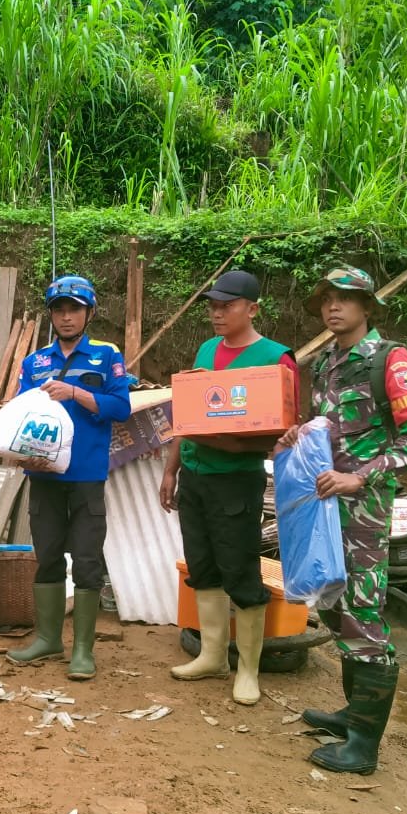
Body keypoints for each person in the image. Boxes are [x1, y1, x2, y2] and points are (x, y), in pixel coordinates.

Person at [278, 265, 407, 774]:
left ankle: (364, 746)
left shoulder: (392, 360)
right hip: (324, 509)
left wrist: (361, 476)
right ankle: (351, 713)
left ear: (368, 307)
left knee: (363, 616)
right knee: (332, 601)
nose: (332, 307)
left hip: (364, 511)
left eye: (345, 298)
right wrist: (297, 438)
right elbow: (329, 428)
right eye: (326, 299)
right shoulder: (325, 362)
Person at [159, 270, 297, 706]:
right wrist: (171, 470)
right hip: (196, 475)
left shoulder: (276, 359)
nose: (217, 313)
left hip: (236, 479)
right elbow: (189, 415)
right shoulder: (206, 350)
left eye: (227, 305)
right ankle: (213, 655)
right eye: (213, 306)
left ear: (252, 309)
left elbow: (282, 430)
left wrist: (232, 440)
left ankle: (248, 670)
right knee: (203, 566)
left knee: (239, 570)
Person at [6, 276, 131, 680]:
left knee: (88, 559)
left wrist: (75, 393)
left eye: (74, 309)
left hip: (86, 475)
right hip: (43, 474)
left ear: (89, 313)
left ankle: (82, 649)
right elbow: (23, 411)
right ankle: (47, 638)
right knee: (46, 555)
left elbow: (121, 407)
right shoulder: (35, 361)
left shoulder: (106, 355)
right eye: (58, 309)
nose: (65, 316)